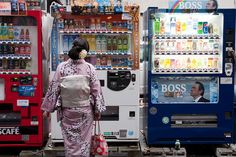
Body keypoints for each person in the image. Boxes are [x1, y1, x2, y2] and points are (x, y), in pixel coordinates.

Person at [41, 38, 106, 157]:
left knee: (70, 144)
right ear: (85, 52)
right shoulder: (89, 68)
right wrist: (98, 110)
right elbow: (96, 91)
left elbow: (54, 88)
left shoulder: (62, 67)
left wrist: (47, 109)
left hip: (67, 112)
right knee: (84, 144)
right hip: (85, 112)